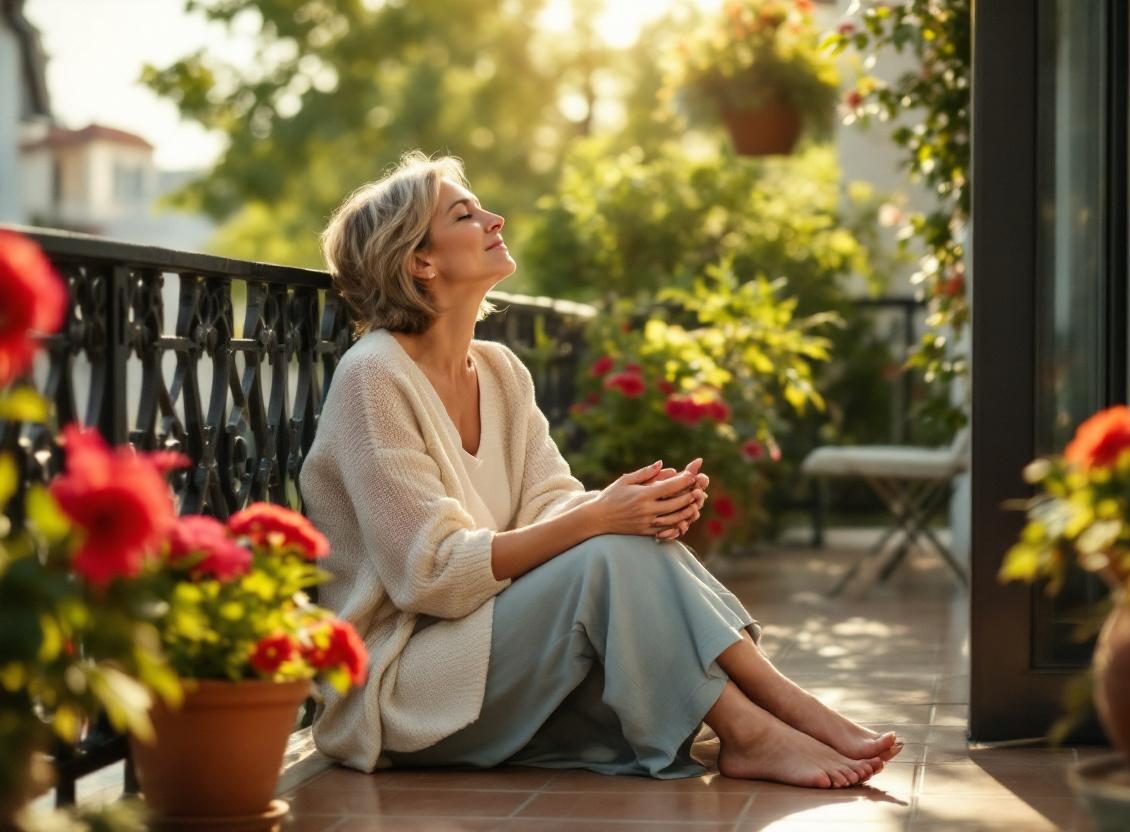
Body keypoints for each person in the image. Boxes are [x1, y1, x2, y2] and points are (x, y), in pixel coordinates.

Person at [300, 151, 903, 789]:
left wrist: (631, 506)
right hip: (402, 686)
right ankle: (762, 726)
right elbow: (432, 576)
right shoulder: (374, 377)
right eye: (465, 214)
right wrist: (597, 519)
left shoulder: (501, 371)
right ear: (420, 262)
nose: (495, 219)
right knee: (608, 547)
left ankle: (772, 712)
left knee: (625, 541)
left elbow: (550, 503)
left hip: (488, 651)